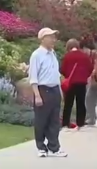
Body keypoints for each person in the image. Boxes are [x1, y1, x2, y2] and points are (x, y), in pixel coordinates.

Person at [28, 27, 67, 158]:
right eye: (51, 37)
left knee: (54, 120)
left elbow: (55, 75)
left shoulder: (53, 54)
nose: (53, 40)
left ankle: (54, 147)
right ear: (43, 38)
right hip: (42, 90)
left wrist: (60, 91)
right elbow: (33, 77)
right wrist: (37, 95)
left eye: (54, 37)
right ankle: (41, 147)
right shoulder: (37, 55)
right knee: (41, 120)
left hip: (54, 89)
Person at [60, 38, 94, 130]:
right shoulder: (84, 56)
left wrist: (68, 76)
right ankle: (80, 123)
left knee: (68, 103)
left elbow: (63, 69)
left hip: (71, 83)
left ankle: (65, 123)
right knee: (81, 103)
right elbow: (90, 68)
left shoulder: (67, 56)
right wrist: (84, 76)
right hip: (82, 82)